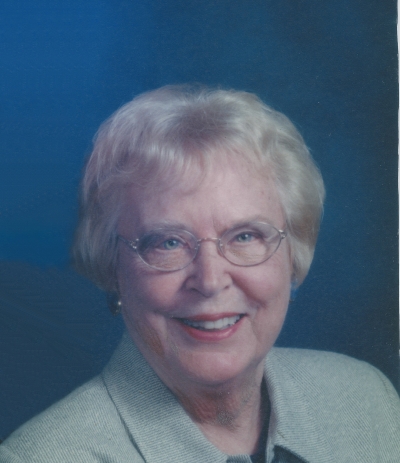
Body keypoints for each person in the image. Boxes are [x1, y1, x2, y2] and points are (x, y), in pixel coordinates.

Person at [0, 85, 399, 463]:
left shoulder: (367, 401)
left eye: (245, 236)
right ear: (112, 265)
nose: (210, 281)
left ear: (293, 255)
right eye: (168, 242)